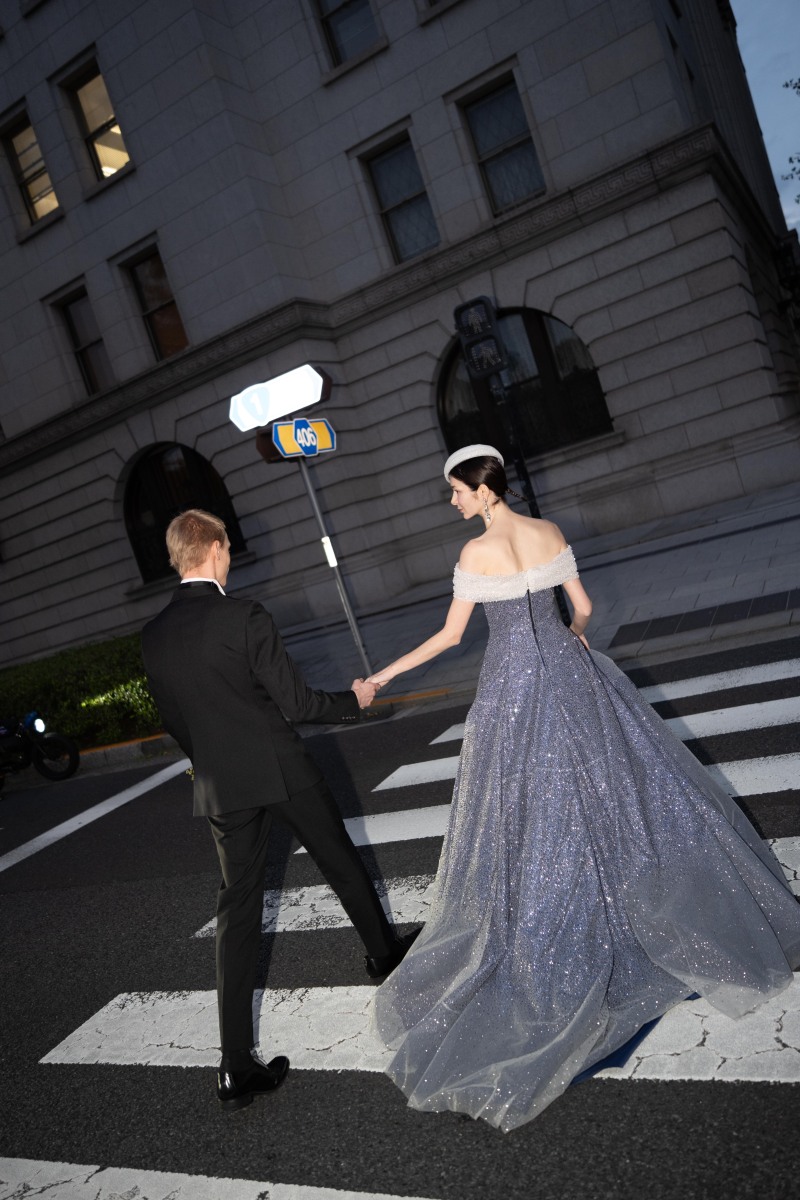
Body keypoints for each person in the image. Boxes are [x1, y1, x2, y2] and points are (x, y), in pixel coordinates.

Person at [367, 445, 800, 1132]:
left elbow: (450, 637)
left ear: (482, 491)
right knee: (616, 791)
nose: (452, 501)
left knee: (528, 814)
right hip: (573, 678)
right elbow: (586, 608)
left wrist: (380, 677)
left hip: (514, 691)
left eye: (456, 491)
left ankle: (557, 929)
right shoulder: (548, 531)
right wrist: (571, 636)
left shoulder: (477, 553)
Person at [141, 508, 417, 1112]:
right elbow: (297, 703)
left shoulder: (153, 635)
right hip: (281, 770)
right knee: (338, 858)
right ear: (215, 548)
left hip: (222, 785)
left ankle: (235, 1066)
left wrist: (212, 764)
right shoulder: (243, 615)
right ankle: (382, 953)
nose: (229, 556)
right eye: (227, 547)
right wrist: (354, 700)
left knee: (237, 914)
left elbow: (176, 722)